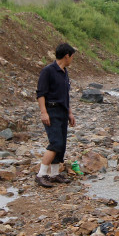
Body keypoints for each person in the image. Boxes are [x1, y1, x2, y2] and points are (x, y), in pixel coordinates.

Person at [35, 43, 76, 187]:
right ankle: (41, 174)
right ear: (67, 56)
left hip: (63, 111)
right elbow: (41, 93)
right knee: (55, 143)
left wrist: (70, 113)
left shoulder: (64, 72)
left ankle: (54, 173)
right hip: (51, 110)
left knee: (62, 144)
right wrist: (43, 112)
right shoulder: (48, 71)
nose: (72, 60)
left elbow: (66, 95)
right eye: (72, 57)